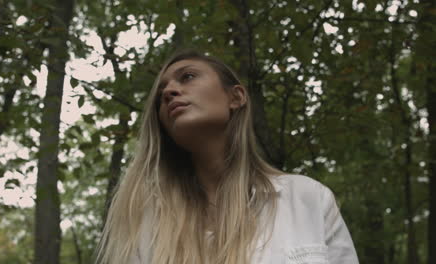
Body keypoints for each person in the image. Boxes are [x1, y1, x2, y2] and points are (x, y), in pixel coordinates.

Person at [96, 50, 359, 264]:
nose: (168, 92)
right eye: (160, 95)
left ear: (236, 97)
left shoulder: (308, 199)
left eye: (187, 77)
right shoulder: (143, 221)